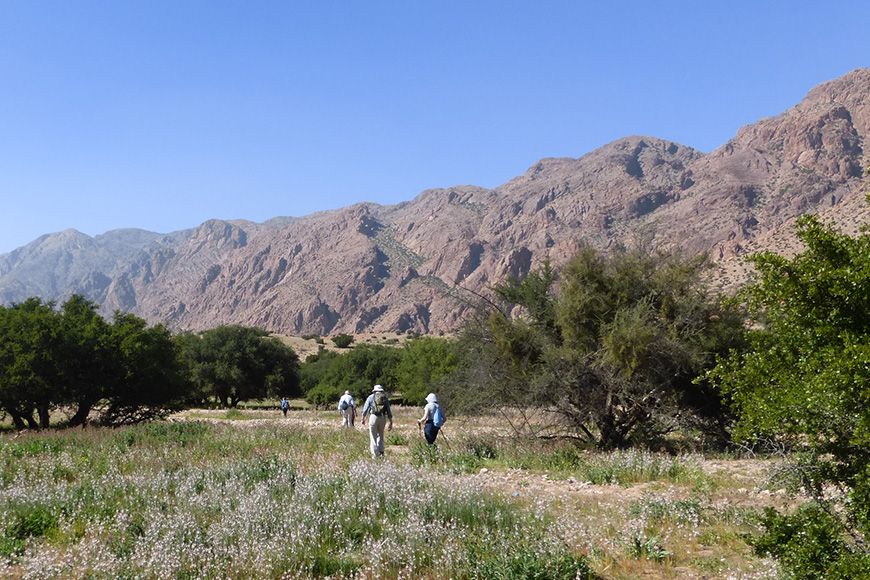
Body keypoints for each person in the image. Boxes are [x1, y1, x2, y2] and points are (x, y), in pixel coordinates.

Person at [361, 384, 392, 457]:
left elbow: (365, 408)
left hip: (373, 417)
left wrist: (363, 418)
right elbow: (388, 410)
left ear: (374, 391)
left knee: (372, 436)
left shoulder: (371, 397)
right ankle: (381, 452)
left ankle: (375, 455)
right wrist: (390, 421)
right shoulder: (384, 398)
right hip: (382, 417)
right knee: (380, 435)